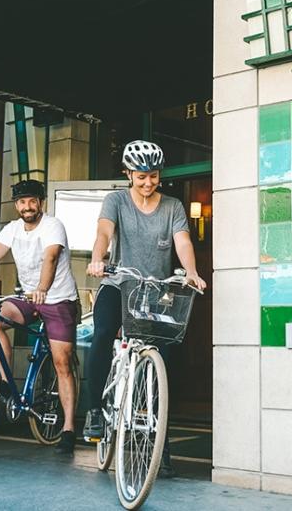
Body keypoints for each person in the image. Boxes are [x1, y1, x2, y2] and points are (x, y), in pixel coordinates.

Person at [83, 140, 207, 477]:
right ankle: (95, 409)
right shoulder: (117, 201)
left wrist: (191, 272)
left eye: (153, 176)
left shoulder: (173, 206)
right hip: (119, 284)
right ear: (128, 174)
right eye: (141, 177)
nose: (148, 183)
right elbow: (103, 232)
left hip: (156, 292)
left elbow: (183, 240)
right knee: (105, 331)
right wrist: (98, 259)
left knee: (164, 363)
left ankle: (160, 445)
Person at [0, 179, 80, 455]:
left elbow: (51, 258)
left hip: (57, 298)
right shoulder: (11, 229)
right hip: (27, 299)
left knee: (62, 363)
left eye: (32, 201)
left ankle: (68, 428)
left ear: (41, 202)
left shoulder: (52, 226)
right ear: (16, 206)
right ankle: (5, 384)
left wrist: (43, 290)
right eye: (22, 202)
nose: (27, 206)